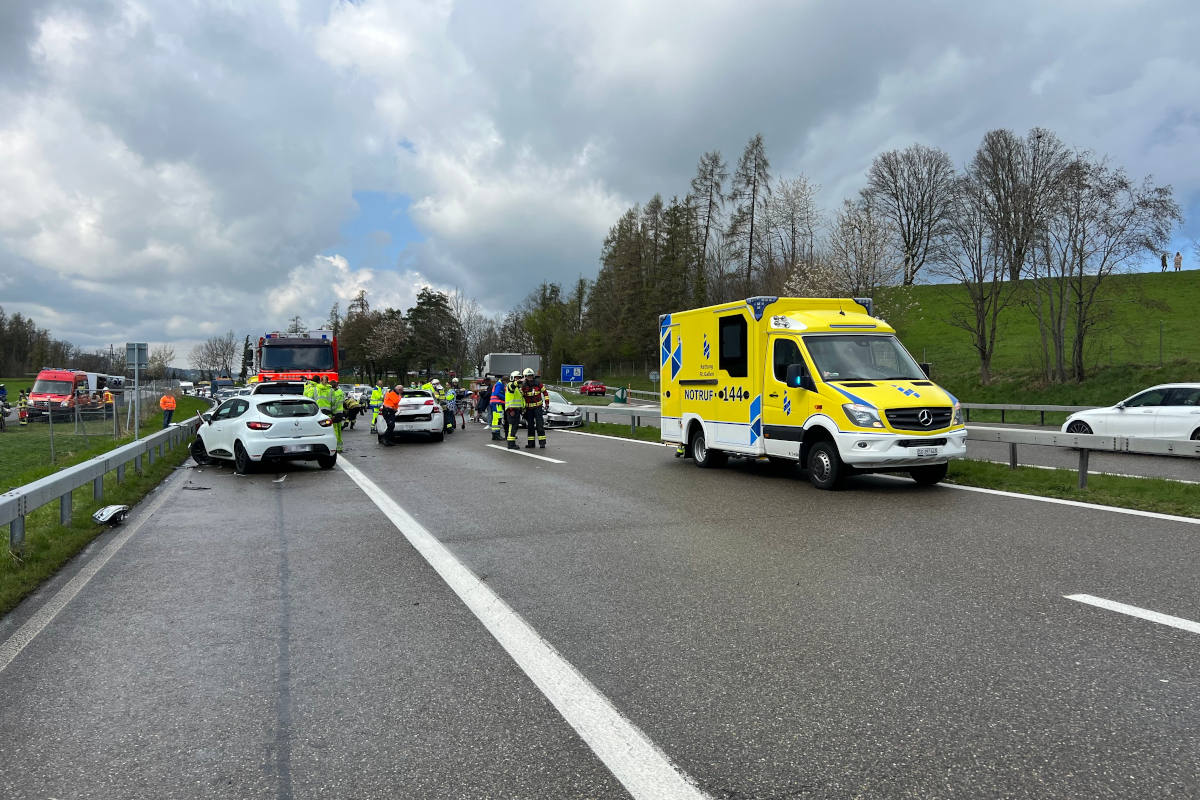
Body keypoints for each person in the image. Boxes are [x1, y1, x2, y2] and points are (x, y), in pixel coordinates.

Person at [520, 367, 549, 449]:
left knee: (540, 425)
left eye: (531, 376)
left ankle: (542, 443)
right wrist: (522, 408)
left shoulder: (538, 384)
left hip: (537, 408)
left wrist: (547, 403)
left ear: (533, 376)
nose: (530, 377)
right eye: (528, 376)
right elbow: (520, 397)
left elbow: (545, 393)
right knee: (530, 426)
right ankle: (531, 443)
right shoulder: (523, 386)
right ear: (525, 377)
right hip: (528, 409)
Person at [503, 370, 526, 449]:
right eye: (517, 378)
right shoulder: (510, 385)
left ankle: (512, 443)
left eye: (519, 378)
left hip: (516, 409)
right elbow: (513, 386)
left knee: (515, 426)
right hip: (511, 409)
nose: (518, 379)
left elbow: (521, 399)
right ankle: (511, 444)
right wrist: (520, 381)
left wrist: (523, 408)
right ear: (512, 378)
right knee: (512, 426)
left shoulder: (518, 388)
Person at [488, 373, 506, 441]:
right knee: (497, 419)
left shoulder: (498, 384)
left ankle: (495, 434)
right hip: (497, 403)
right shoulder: (499, 384)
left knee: (495, 419)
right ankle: (497, 435)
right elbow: (497, 393)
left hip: (495, 403)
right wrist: (505, 398)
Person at [329, 379, 345, 451]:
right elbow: (343, 400)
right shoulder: (341, 392)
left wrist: (332, 412)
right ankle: (340, 447)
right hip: (340, 413)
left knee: (335, 431)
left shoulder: (333, 393)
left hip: (335, 413)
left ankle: (335, 446)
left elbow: (333, 404)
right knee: (339, 431)